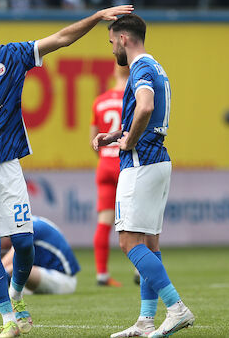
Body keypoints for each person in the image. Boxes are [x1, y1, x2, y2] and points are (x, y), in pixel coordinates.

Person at [0, 1, 133, 337]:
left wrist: (94, 17)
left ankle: (16, 295)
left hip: (8, 166)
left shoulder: (13, 56)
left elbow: (61, 38)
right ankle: (7, 319)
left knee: (23, 243)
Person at [93, 15, 195, 338]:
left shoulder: (139, 68)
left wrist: (130, 140)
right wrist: (117, 135)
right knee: (149, 244)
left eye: (111, 42)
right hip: (158, 161)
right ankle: (145, 321)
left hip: (141, 164)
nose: (112, 51)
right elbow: (144, 113)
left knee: (128, 242)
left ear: (123, 38)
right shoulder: (157, 67)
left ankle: (176, 308)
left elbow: (146, 107)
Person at [89, 63, 129, 288]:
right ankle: (138, 271)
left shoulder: (100, 101)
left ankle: (102, 274)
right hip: (125, 164)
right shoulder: (133, 97)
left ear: (114, 72)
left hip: (104, 163)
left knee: (104, 221)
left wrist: (105, 158)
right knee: (135, 218)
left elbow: (93, 140)